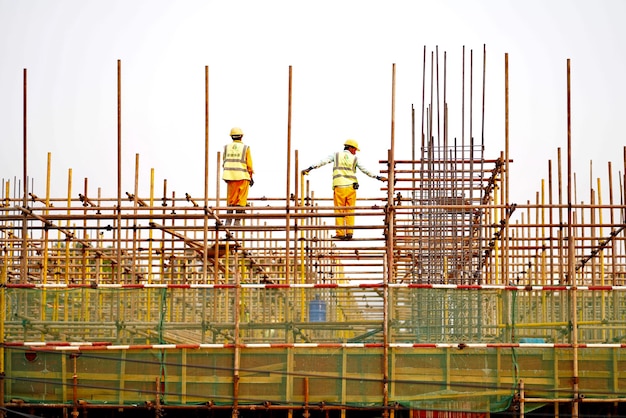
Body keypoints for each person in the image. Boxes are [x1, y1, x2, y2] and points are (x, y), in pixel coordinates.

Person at [302, 139, 387, 240]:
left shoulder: (336, 155)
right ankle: (349, 232)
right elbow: (365, 170)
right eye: (355, 149)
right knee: (350, 210)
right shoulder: (355, 159)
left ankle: (341, 233)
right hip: (351, 187)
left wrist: (310, 168)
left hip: (340, 187)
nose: (355, 152)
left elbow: (322, 161)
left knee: (339, 210)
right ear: (350, 148)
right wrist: (377, 177)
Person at [222, 127, 254, 226]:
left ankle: (228, 220)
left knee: (231, 199)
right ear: (241, 136)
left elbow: (224, 162)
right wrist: (251, 176)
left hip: (230, 176)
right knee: (241, 199)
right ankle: (237, 221)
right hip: (243, 176)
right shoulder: (245, 148)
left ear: (231, 136)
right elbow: (249, 165)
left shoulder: (226, 147)